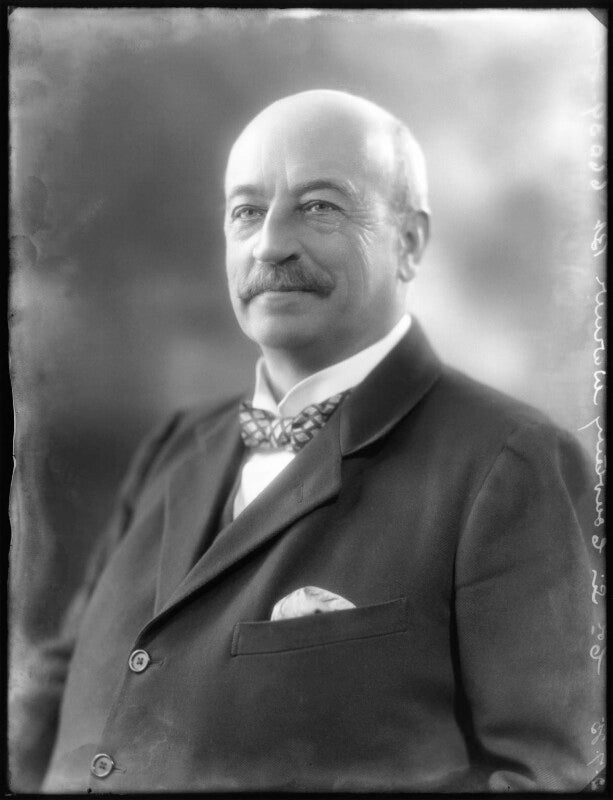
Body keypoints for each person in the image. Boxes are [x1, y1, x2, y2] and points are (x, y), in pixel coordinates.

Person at [13, 90, 602, 793]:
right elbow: (59, 684)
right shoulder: (174, 445)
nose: (270, 244)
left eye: (319, 206)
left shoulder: (511, 461)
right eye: (246, 211)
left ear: (409, 242)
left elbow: (548, 776)